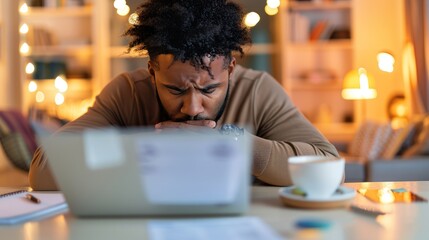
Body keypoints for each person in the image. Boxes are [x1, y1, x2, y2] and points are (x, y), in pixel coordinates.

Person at [29, 0, 339, 190]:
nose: (192, 107)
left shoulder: (258, 90)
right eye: (175, 89)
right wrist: (146, 149)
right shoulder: (128, 92)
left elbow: (327, 166)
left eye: (209, 89)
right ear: (152, 70)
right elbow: (43, 173)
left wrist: (233, 142)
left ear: (231, 68)